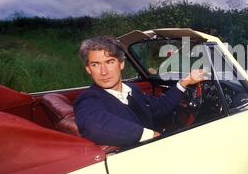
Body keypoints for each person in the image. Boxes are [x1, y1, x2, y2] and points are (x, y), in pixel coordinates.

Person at [74, 36, 205, 147]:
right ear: (88, 69)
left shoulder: (132, 90)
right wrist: (150, 135)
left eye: (110, 62)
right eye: (95, 64)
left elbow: (160, 107)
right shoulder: (88, 99)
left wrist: (184, 82)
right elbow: (93, 124)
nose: (104, 71)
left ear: (121, 64)